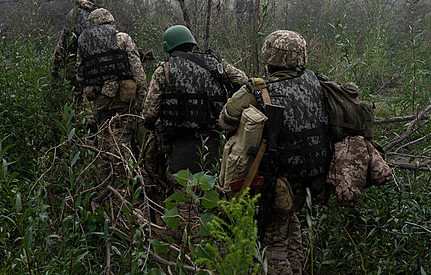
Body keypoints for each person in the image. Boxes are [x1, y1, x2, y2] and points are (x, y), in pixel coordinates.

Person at [218, 29, 333, 275]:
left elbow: (225, 120)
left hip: (277, 183)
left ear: (269, 57)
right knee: (290, 230)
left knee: (274, 247)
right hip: (312, 180)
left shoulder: (258, 89)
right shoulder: (316, 82)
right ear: (301, 56)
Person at [141, 25, 248, 179]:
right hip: (211, 139)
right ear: (191, 43)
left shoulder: (164, 70)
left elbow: (150, 112)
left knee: (181, 187)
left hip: (178, 141)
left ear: (169, 47)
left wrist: (150, 125)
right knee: (210, 183)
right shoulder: (215, 63)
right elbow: (243, 81)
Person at [76, 8, 147, 145]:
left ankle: (106, 164)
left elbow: (80, 75)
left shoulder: (83, 44)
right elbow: (138, 72)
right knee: (122, 140)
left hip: (99, 99)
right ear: (109, 20)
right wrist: (142, 98)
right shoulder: (122, 38)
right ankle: (123, 164)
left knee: (104, 141)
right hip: (123, 98)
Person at [51, 0, 104, 85]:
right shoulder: (93, 16)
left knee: (69, 90)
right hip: (83, 64)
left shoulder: (73, 12)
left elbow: (62, 41)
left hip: (67, 59)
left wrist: (55, 67)